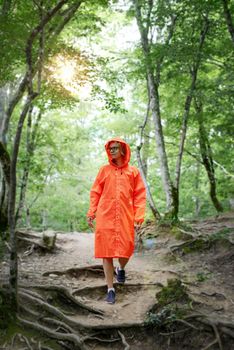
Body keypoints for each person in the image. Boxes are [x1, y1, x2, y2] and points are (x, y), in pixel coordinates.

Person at [87, 137, 146, 304]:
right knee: (107, 252)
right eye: (110, 148)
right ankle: (110, 289)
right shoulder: (104, 170)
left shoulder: (133, 171)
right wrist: (92, 212)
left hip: (126, 215)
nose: (111, 150)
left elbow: (139, 195)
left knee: (127, 247)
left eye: (114, 148)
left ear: (122, 150)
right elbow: (95, 192)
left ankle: (121, 268)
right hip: (105, 215)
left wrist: (139, 215)